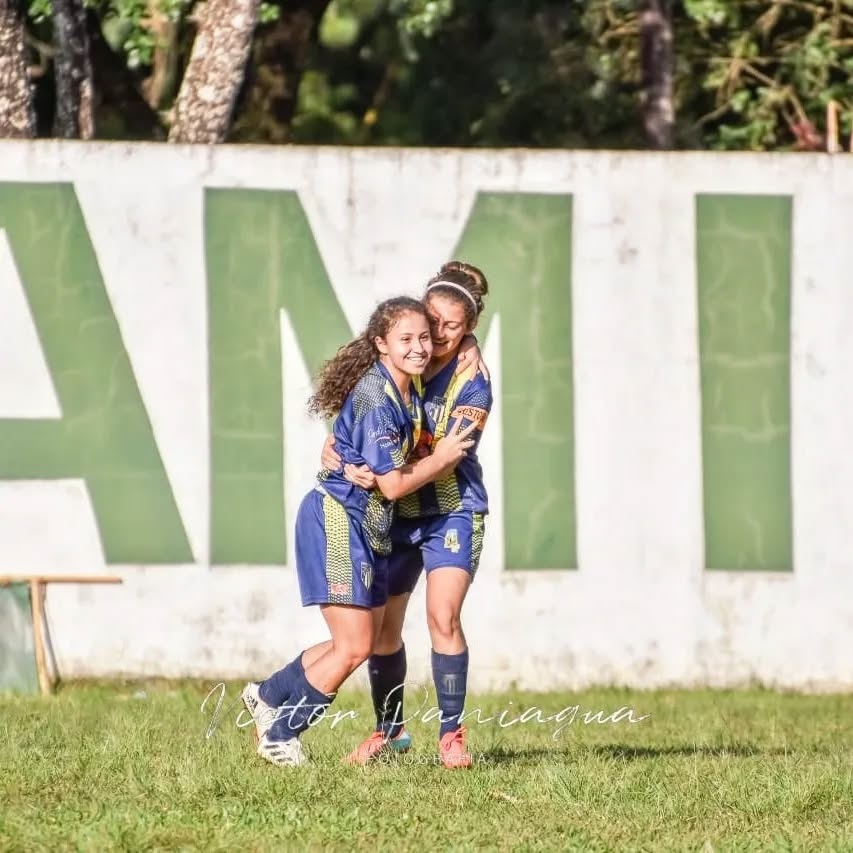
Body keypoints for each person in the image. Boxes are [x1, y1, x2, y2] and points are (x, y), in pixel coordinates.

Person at [240, 295, 477, 767]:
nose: (419, 347)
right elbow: (392, 486)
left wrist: (468, 341)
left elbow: (363, 452)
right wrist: (445, 457)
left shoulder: (405, 388)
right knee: (355, 645)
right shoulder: (376, 396)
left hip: (362, 525)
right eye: (406, 339)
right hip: (337, 520)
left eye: (424, 338)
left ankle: (268, 695)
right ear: (381, 344)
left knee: (357, 640)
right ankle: (281, 734)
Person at [323, 262, 492, 769]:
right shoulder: (403, 360)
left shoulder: (472, 382)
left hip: (452, 512)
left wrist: (375, 471)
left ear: (469, 331)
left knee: (443, 616)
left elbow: (443, 455)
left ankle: (452, 736)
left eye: (451, 327)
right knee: (382, 631)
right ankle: (390, 732)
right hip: (395, 514)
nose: (436, 335)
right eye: (432, 321)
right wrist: (336, 451)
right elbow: (358, 420)